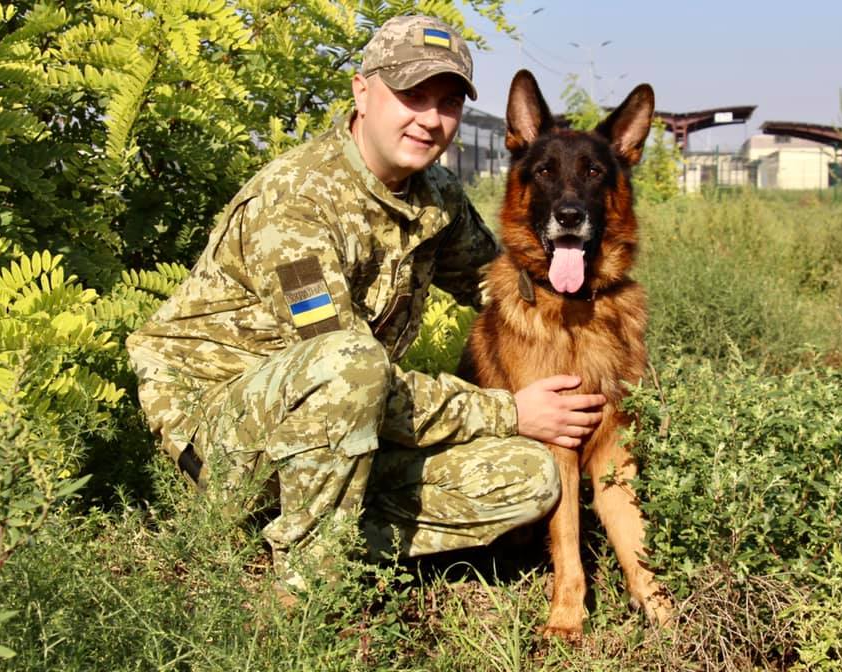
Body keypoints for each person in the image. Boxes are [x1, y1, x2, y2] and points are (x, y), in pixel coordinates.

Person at [125, 14, 606, 595]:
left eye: (448, 102)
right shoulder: (296, 205)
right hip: (225, 434)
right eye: (412, 95)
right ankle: (305, 594)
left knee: (530, 480)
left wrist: (588, 318)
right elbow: (340, 368)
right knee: (348, 361)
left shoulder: (436, 195)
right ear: (362, 91)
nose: (430, 119)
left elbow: (498, 280)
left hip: (340, 427)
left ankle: (315, 525)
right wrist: (509, 412)